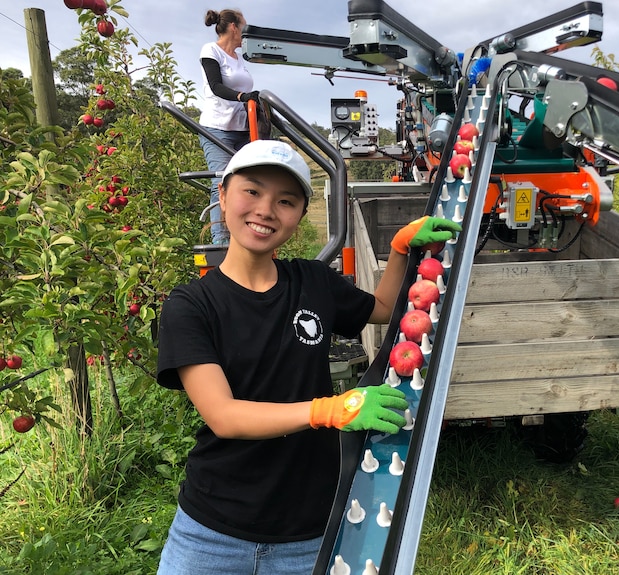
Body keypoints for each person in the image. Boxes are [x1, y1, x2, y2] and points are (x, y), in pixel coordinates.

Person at [154, 139, 461, 574]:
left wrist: (398, 249)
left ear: (298, 218)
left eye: (285, 201)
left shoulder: (313, 281)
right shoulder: (192, 305)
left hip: (309, 530)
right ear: (222, 196)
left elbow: (384, 309)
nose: (265, 210)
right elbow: (224, 415)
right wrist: (329, 410)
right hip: (212, 533)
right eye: (252, 191)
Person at [199, 8, 258, 245]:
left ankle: (242, 237)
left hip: (243, 127)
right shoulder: (211, 50)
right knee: (221, 181)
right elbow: (215, 85)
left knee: (246, 181)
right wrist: (243, 96)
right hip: (217, 127)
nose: (246, 31)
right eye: (244, 25)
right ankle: (220, 242)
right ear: (234, 26)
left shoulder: (240, 58)